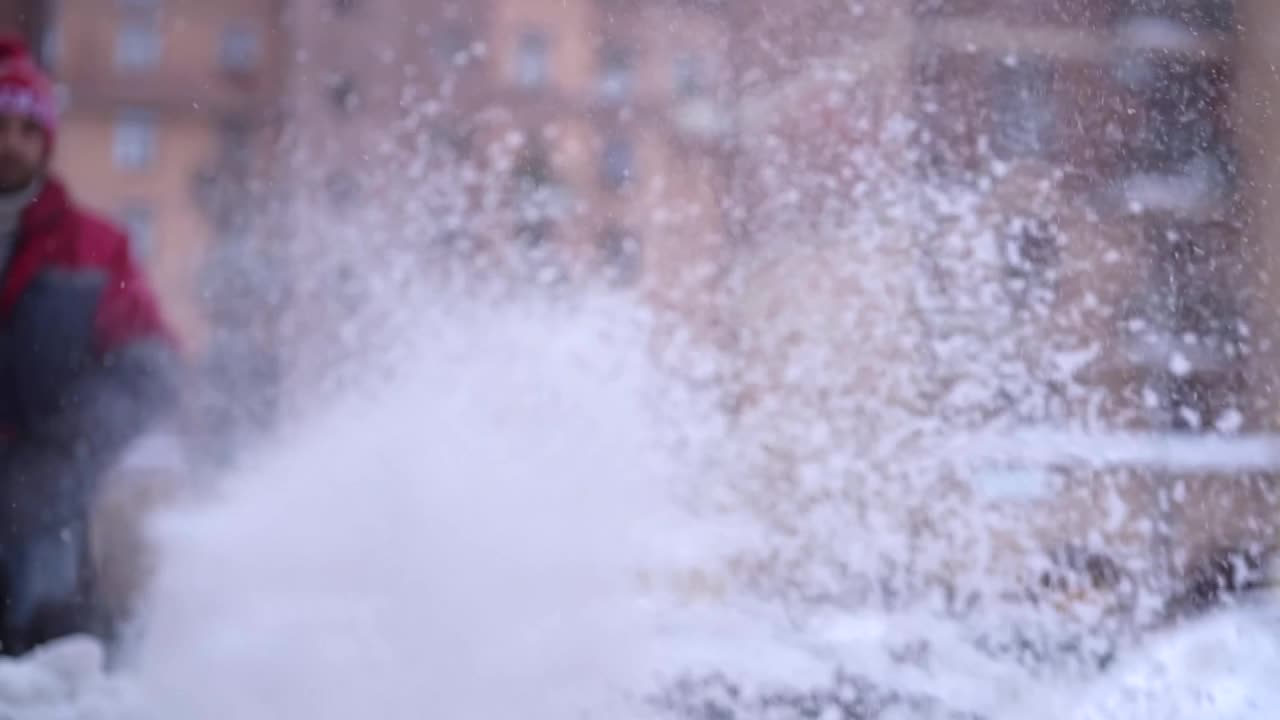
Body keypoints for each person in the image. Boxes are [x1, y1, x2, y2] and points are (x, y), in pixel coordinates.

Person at [0, 36, 179, 655]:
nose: (11, 141)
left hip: (50, 522)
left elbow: (153, 369)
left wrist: (73, 439)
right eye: (0, 123)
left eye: (28, 126)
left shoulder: (95, 248)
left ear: (46, 139)